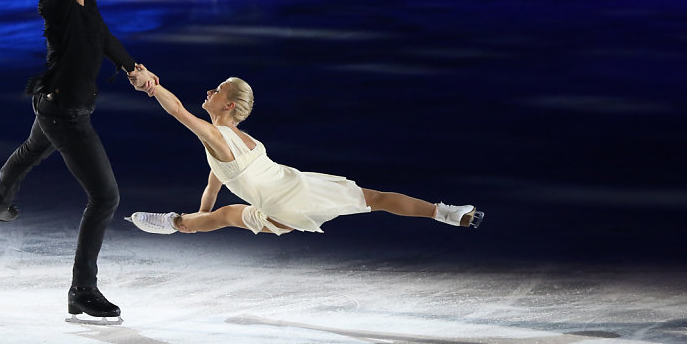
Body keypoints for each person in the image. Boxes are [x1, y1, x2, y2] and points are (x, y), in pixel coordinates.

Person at [0, 0, 158, 318]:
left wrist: (134, 68)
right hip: (67, 115)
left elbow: (107, 39)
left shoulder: (87, 7)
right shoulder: (59, 5)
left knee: (30, 150)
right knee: (106, 198)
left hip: (54, 106)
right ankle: (82, 289)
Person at [125, 72, 483, 236]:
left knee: (224, 216)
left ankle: (173, 222)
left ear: (228, 104)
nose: (209, 90)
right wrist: (201, 218)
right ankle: (447, 214)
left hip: (282, 208)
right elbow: (213, 185)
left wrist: (153, 86)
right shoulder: (238, 140)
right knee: (377, 198)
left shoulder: (217, 137)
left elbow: (178, 112)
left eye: (216, 90)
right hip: (299, 189)